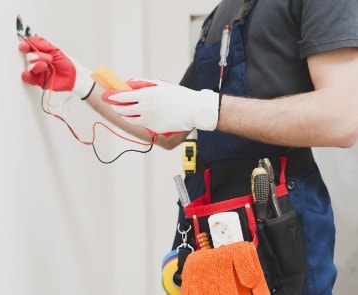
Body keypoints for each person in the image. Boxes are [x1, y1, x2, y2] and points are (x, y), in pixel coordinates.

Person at [18, 0, 358, 293]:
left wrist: (205, 108)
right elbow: (167, 130)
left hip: (277, 225)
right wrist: (81, 82)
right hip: (205, 228)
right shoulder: (218, 17)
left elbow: (342, 118)